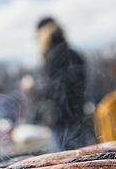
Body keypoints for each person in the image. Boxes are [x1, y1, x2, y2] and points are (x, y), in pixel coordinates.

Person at [34, 17, 88, 150]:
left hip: (60, 120)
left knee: (66, 162)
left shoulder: (53, 57)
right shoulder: (73, 54)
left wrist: (33, 88)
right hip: (76, 116)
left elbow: (54, 88)